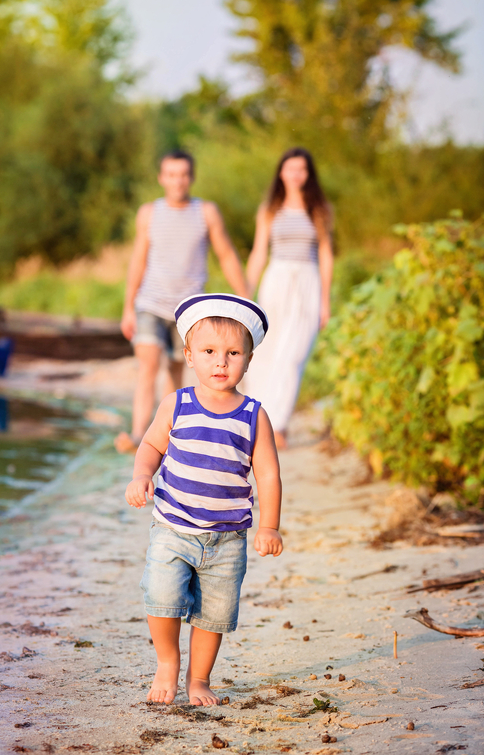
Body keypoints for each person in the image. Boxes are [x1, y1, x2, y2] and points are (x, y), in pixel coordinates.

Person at [125, 293, 283, 706]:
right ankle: (167, 662)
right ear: (189, 356)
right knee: (161, 597)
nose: (221, 362)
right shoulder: (177, 404)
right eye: (209, 351)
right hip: (173, 528)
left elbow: (268, 474)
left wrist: (269, 525)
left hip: (227, 538)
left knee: (214, 614)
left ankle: (198, 679)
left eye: (233, 353)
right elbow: (151, 445)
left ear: (248, 359)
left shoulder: (254, 415)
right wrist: (142, 475)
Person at [116, 151, 249, 453]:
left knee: (177, 369)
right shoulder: (149, 213)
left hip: (189, 309)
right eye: (172, 175)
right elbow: (138, 260)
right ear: (162, 178)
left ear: (192, 177)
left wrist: (244, 296)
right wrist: (128, 307)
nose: (178, 181)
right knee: (148, 364)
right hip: (150, 303)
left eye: (183, 175)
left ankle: (168, 433)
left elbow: (226, 254)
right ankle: (138, 435)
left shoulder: (207, 212)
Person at [245, 147, 333, 450]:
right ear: (281, 172)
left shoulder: (319, 209)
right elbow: (259, 252)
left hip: (308, 281)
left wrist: (325, 300)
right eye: (290, 168)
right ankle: (257, 420)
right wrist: (246, 292)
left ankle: (279, 424)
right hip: (276, 280)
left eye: (301, 169)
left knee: (294, 354)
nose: (295, 174)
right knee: (267, 352)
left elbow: (326, 253)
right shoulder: (270, 209)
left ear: (308, 174)